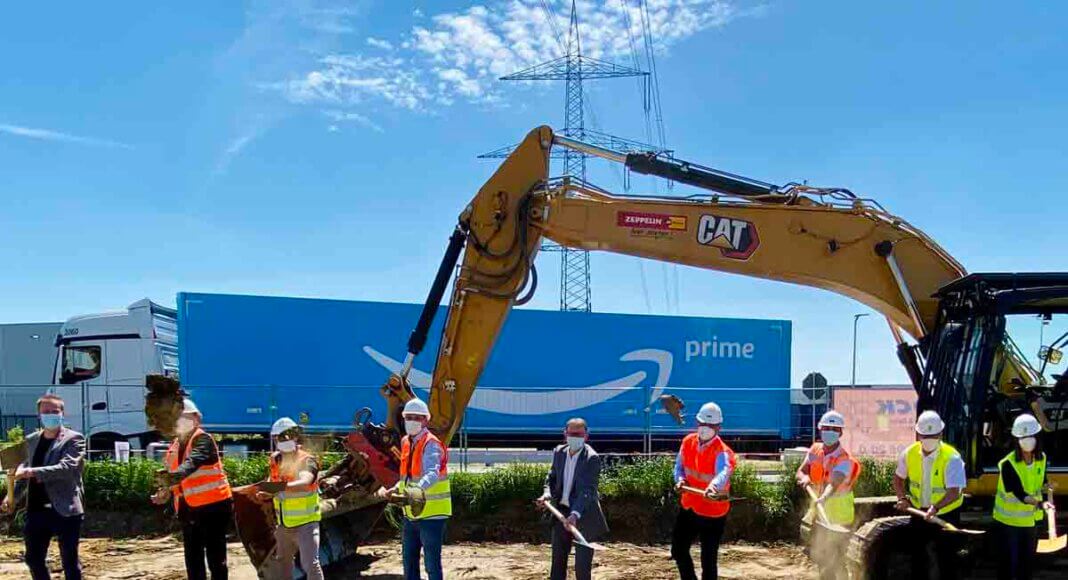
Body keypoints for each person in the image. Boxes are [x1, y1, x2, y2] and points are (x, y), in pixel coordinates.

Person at [1, 394, 86, 580]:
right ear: (39, 414)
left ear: (62, 413)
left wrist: (30, 471)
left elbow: (66, 467)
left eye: (55, 411)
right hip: (36, 510)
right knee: (33, 559)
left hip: (65, 509)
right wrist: (11, 496)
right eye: (46, 411)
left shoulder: (74, 439)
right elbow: (21, 476)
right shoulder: (32, 440)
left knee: (69, 562)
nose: (50, 415)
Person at [152, 398, 234, 580]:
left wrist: (169, 479)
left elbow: (190, 464)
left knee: (216, 557)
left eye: (186, 417)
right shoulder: (174, 445)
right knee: (193, 558)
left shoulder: (203, 440)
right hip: (188, 508)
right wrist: (165, 492)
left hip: (213, 506)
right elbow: (173, 475)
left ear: (197, 419)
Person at [376, 398, 451, 580]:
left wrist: (416, 489)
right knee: (409, 561)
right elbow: (407, 476)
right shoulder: (406, 442)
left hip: (432, 514)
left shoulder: (430, 443)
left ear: (425, 420)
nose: (411, 421)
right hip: (411, 512)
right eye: (408, 417)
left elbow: (432, 474)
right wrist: (394, 488)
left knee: (431, 564)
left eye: (416, 418)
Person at [892, 409, 966, 580]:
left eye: (933, 435)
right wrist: (902, 498)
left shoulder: (952, 458)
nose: (929, 440)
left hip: (946, 514)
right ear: (918, 435)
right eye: (926, 436)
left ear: (940, 434)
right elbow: (898, 479)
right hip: (919, 513)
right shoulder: (909, 453)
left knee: (946, 559)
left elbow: (955, 492)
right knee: (918, 558)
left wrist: (936, 507)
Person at [536, 418, 609, 580]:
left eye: (579, 434)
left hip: (583, 513)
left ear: (586, 436)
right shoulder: (559, 452)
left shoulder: (591, 458)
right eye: (572, 434)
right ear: (565, 434)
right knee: (558, 560)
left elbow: (587, 491)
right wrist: (547, 493)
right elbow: (551, 478)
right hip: (561, 511)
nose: (575, 437)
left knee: (582, 566)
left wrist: (575, 514)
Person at [671, 402, 737, 580]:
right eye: (702, 424)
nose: (705, 428)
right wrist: (680, 480)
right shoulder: (687, 442)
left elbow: (723, 472)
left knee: (708, 559)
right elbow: (679, 467)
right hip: (690, 506)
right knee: (678, 550)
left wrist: (714, 486)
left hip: (712, 513)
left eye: (710, 425)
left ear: (718, 427)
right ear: (696, 422)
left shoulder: (723, 452)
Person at [255, 417, 324, 580]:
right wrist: (267, 491)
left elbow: (305, 482)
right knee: (283, 563)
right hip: (284, 524)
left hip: (306, 524)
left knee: (310, 564)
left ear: (295, 437)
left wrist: (275, 488)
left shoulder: (306, 460)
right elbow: (272, 482)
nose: (283, 440)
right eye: (280, 437)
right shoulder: (275, 460)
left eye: (286, 436)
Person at [796, 410, 861, 580]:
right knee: (822, 557)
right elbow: (801, 471)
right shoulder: (815, 449)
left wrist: (824, 497)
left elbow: (835, 482)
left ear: (840, 432)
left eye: (834, 428)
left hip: (839, 516)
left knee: (837, 559)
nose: (829, 431)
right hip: (820, 514)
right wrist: (805, 477)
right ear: (820, 429)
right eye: (826, 427)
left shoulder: (844, 458)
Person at [992, 413, 1050, 580]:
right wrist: (1040, 504)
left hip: (1029, 523)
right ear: (1016, 440)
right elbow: (1019, 494)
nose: (1028, 440)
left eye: (1031, 436)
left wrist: (1047, 494)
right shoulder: (1007, 464)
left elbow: (1042, 482)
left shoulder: (1042, 459)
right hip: (1007, 523)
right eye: (1023, 437)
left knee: (1027, 565)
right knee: (1008, 566)